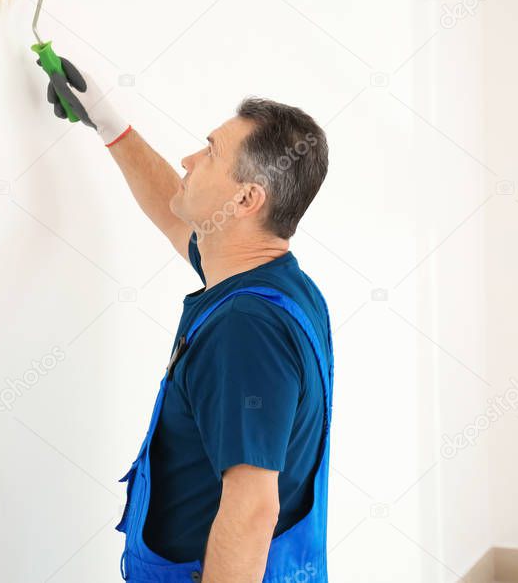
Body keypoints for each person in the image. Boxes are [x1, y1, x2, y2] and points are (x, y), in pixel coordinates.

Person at [40, 58, 334, 582]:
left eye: (211, 152)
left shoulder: (247, 328)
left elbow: (250, 510)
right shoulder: (273, 281)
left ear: (246, 199)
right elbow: (178, 220)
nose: (189, 158)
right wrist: (111, 125)